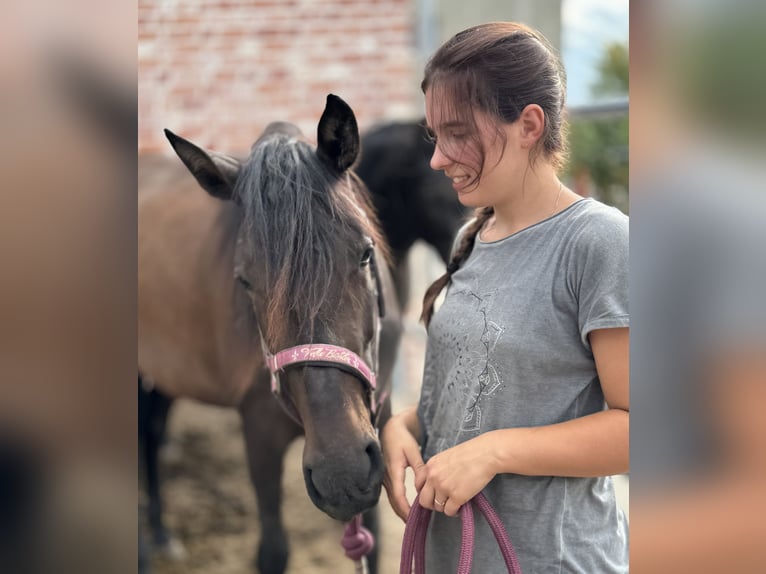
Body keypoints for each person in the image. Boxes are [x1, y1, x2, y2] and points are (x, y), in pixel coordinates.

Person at [381, 22, 629, 573]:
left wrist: (494, 452)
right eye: (433, 136)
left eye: (457, 133)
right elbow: (470, 395)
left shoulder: (598, 241)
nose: (438, 158)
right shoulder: (473, 237)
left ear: (529, 125)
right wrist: (404, 427)